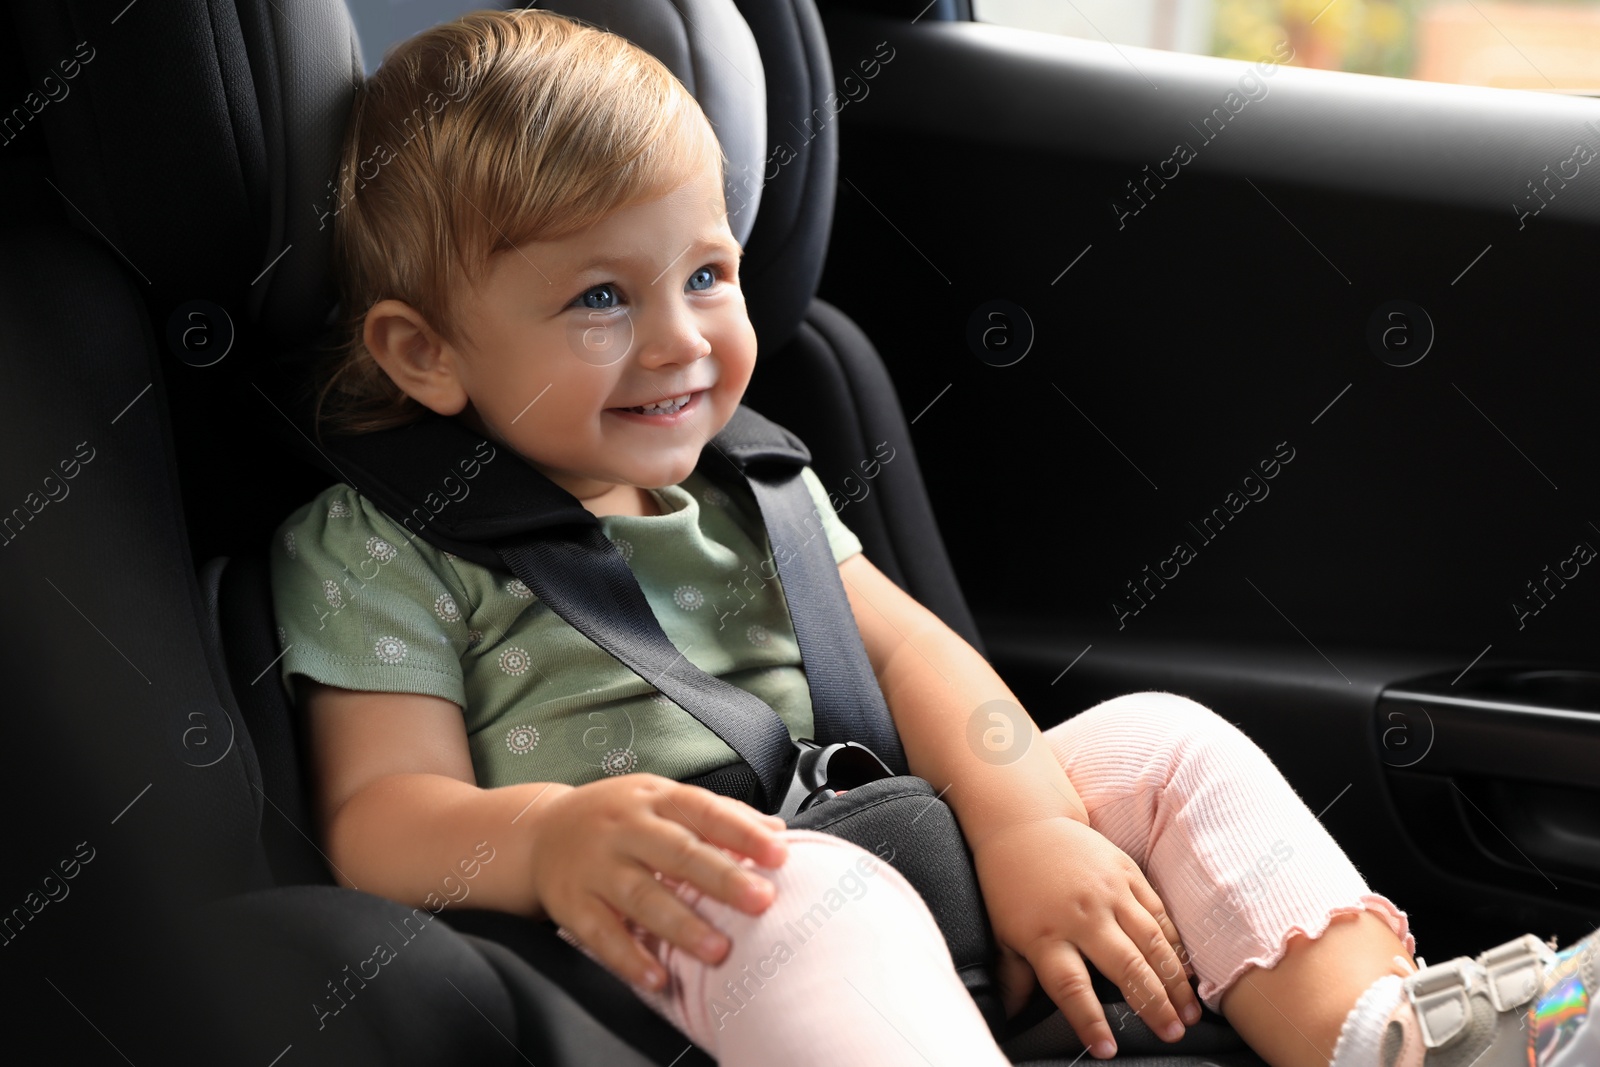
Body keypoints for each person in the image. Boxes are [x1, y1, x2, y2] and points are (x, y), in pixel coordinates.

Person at [268, 9, 1597, 1066]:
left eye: (707, 274)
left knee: (1165, 741)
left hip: (893, 846)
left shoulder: (760, 483)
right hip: (676, 929)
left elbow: (927, 667)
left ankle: (1391, 1042)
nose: (682, 338)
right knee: (801, 902)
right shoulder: (386, 543)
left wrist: (1022, 824)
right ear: (425, 354)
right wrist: (551, 844)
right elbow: (380, 819)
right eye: (602, 297)